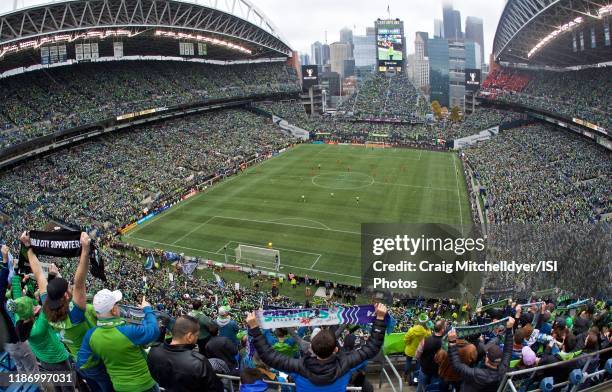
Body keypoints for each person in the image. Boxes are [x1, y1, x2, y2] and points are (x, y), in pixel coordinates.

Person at [21, 231, 113, 391]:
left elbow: (39, 276)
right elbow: (79, 283)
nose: (70, 287)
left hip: (80, 362)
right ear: (66, 294)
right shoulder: (76, 315)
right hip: (96, 361)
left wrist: (29, 248)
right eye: (67, 286)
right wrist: (85, 250)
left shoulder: (47, 309)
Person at [246, 303, 388, 391]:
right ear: (336, 349)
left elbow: (268, 356)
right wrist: (380, 319)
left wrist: (255, 329)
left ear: (311, 348)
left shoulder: (298, 367)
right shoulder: (347, 364)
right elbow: (372, 347)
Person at [78, 290, 160, 392]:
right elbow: (154, 330)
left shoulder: (90, 336)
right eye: (117, 304)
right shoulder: (128, 331)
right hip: (144, 385)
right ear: (114, 310)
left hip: (119, 386)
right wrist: (147, 309)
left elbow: (82, 362)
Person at [148, 315, 224, 392]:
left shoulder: (154, 351)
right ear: (190, 336)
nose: (197, 338)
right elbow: (216, 388)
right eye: (197, 335)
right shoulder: (198, 362)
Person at [448, 317, 515, 392]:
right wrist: (509, 329)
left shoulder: (476, 374)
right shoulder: (504, 368)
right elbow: (508, 351)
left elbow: (457, 366)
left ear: (487, 358)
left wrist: (452, 343)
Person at [415, 319, 446, 392]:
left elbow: (417, 355)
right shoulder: (445, 343)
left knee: (420, 389)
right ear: (442, 330)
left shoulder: (425, 340)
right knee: (434, 390)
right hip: (437, 373)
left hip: (424, 370)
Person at [403, 313, 430, 385]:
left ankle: (405, 376)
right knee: (418, 364)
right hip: (420, 351)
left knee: (408, 362)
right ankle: (416, 378)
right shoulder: (427, 332)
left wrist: (409, 344)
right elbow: (428, 339)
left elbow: (405, 340)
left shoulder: (411, 330)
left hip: (410, 350)